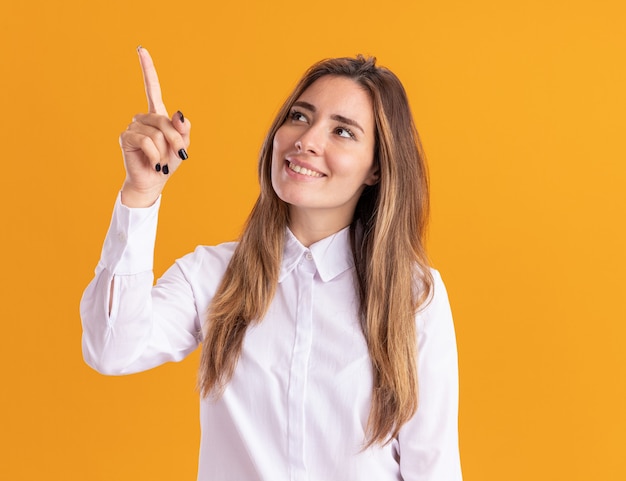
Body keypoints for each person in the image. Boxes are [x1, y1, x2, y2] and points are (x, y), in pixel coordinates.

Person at [81, 47, 462, 481]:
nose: (307, 139)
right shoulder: (212, 275)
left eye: (343, 131)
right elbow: (111, 349)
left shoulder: (414, 296)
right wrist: (140, 192)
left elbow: (433, 467)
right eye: (300, 116)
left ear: (375, 168)